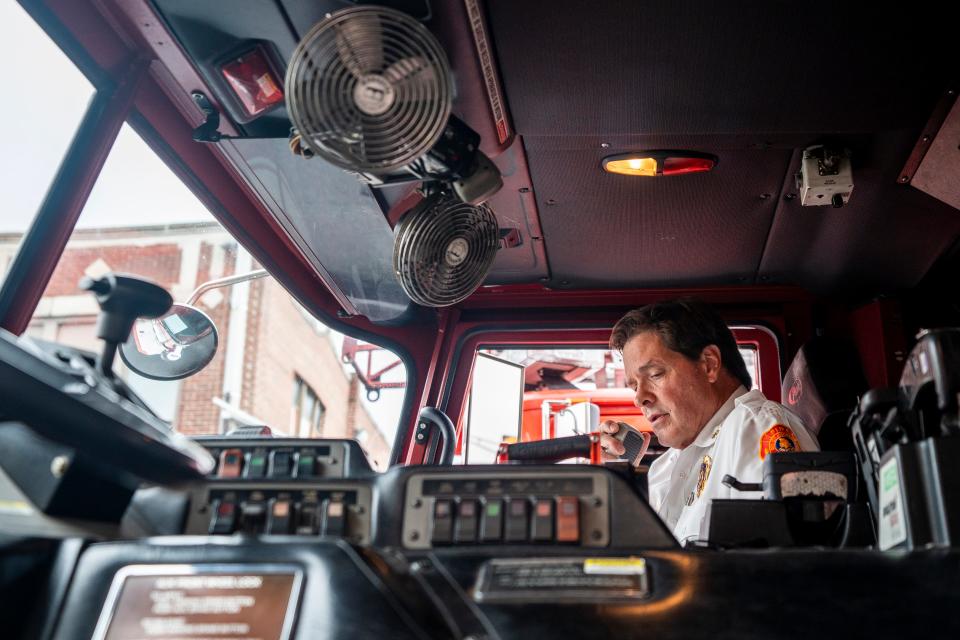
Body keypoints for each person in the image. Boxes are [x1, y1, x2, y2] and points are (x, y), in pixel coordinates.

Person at [599, 298, 818, 545]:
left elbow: (776, 564)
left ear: (709, 364)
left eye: (655, 375)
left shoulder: (755, 428)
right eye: (634, 386)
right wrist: (617, 476)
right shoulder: (668, 464)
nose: (640, 398)